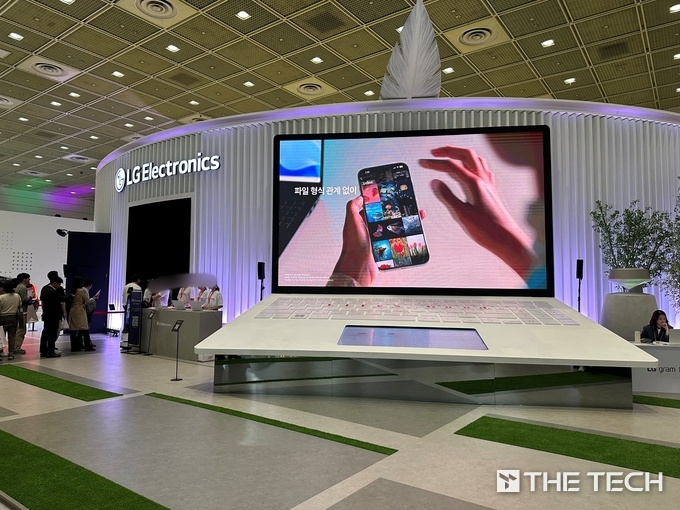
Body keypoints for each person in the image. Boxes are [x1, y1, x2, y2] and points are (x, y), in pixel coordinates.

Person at [40, 275, 66, 358]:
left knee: (45, 332)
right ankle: (51, 351)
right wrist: (70, 296)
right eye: (58, 284)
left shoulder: (44, 289)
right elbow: (61, 299)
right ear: (54, 283)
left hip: (46, 314)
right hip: (54, 315)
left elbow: (43, 302)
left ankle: (43, 350)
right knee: (53, 333)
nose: (59, 286)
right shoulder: (53, 291)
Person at [68, 277, 97, 352]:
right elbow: (87, 301)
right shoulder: (81, 291)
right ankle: (87, 346)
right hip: (80, 309)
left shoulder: (73, 290)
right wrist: (93, 299)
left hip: (73, 309)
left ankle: (74, 347)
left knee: (73, 329)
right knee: (84, 327)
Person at [0, 280, 22, 361]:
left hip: (2, 318)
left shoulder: (1, 297)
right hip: (13, 317)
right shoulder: (17, 296)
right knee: (12, 336)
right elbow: (20, 306)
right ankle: (11, 353)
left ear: (3, 288)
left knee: (1, 336)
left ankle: (0, 352)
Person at [14, 273, 32, 355]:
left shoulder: (19, 286)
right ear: (24, 279)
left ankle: (15, 347)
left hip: (19, 311)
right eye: (28, 278)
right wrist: (29, 299)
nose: (29, 280)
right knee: (21, 330)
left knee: (19, 330)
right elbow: (23, 300)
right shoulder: (23, 288)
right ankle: (16, 348)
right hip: (21, 312)